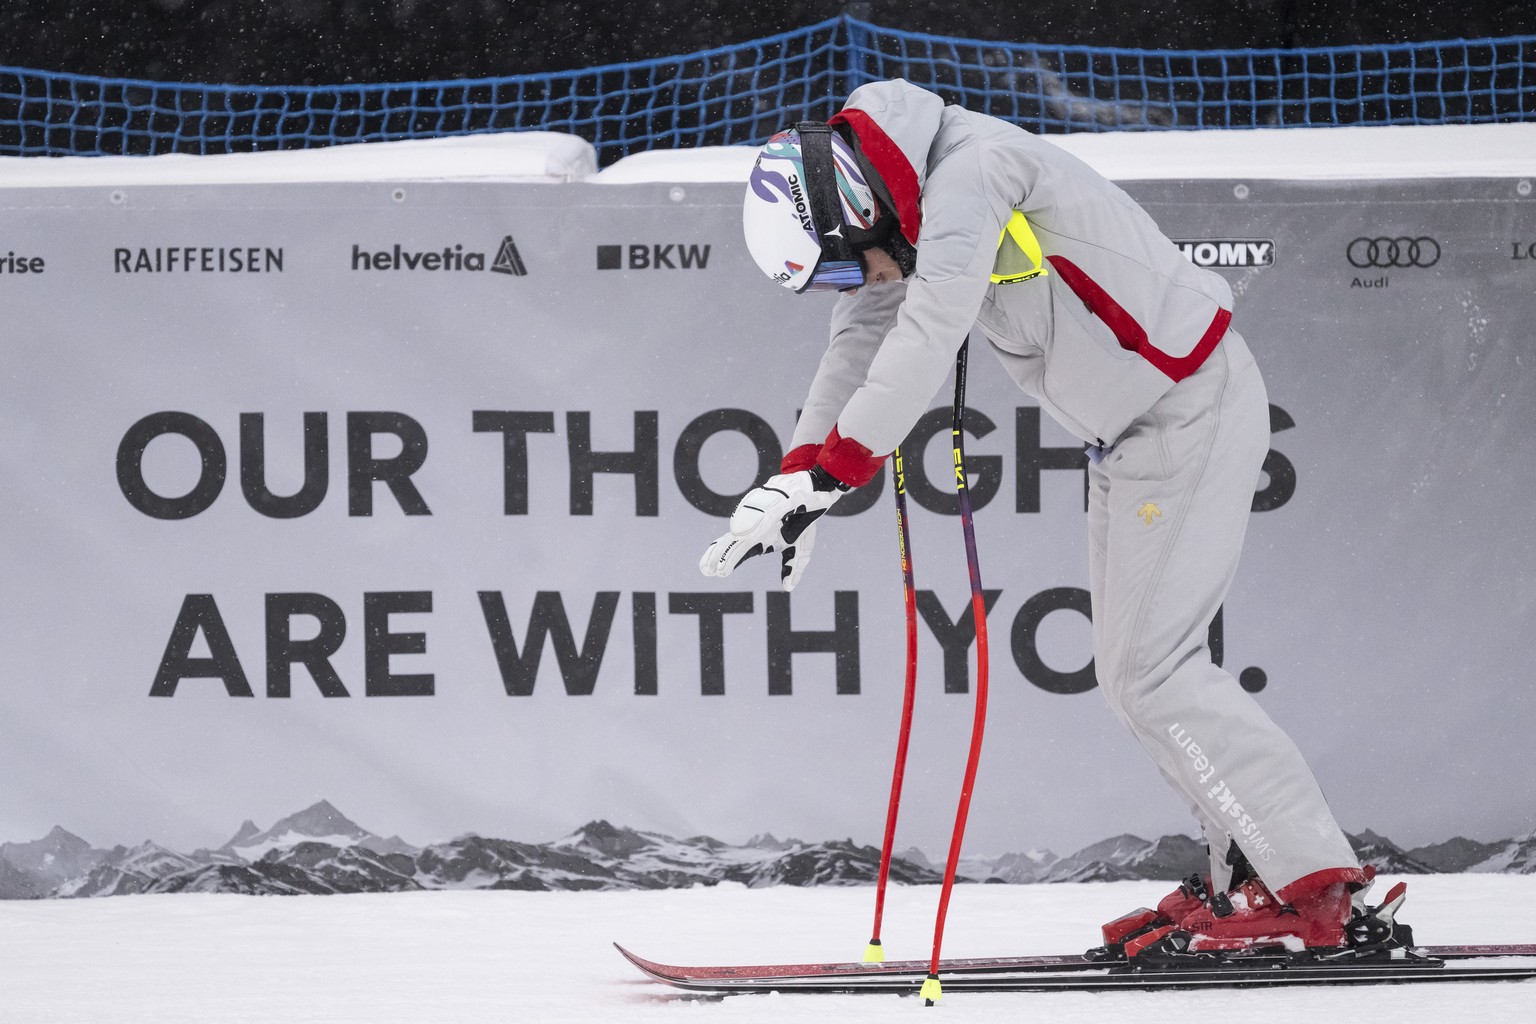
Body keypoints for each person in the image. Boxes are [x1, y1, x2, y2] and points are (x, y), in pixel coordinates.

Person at [699, 78, 1403, 958]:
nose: (862, 278)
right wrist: (798, 480)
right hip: (1131, 433)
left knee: (1154, 672)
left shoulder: (973, 174)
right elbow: (861, 336)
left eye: (845, 261)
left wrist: (836, 473)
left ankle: (1312, 885)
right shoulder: (904, 213)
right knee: (1134, 677)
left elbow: (924, 336)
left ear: (858, 205)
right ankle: (1250, 872)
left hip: (1187, 407)